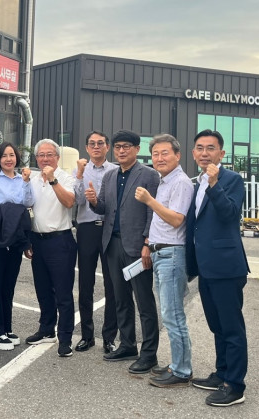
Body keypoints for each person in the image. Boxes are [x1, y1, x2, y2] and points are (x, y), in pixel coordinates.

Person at [85, 129, 160, 374]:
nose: (121, 151)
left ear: (137, 149)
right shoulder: (110, 175)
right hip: (112, 244)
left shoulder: (149, 175)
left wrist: (148, 242)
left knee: (144, 301)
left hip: (137, 246)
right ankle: (128, 345)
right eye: (118, 147)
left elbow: (152, 211)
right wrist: (94, 201)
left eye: (127, 146)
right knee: (121, 299)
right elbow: (104, 209)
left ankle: (149, 354)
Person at [186, 129, 249, 407]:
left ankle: (235, 385)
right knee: (217, 326)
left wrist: (214, 184)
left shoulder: (231, 179)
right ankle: (222, 373)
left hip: (226, 267)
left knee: (232, 328)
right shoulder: (198, 182)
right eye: (200, 148)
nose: (204, 153)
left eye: (210, 148)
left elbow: (230, 214)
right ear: (193, 153)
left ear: (221, 153)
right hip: (206, 267)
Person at [133, 134, 194, 387]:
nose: (159, 158)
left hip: (172, 254)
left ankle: (181, 370)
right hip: (160, 253)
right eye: (155, 154)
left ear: (177, 155)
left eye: (165, 153)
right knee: (169, 313)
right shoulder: (164, 181)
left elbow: (177, 219)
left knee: (173, 315)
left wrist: (149, 200)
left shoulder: (180, 182)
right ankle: (177, 363)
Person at [24, 139, 77, 357]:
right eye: (41, 155)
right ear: (36, 158)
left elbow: (69, 202)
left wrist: (53, 180)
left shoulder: (66, 178)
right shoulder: (33, 179)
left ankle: (65, 338)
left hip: (60, 240)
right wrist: (27, 241)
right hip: (38, 240)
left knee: (63, 293)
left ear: (57, 157)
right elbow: (26, 207)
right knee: (43, 289)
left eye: (49, 155)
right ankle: (46, 329)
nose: (45, 159)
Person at [0, 141, 34, 350]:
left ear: (17, 157)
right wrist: (15, 211)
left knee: (9, 284)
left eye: (12, 155)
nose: (8, 159)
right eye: (4, 155)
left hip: (16, 236)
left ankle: (5, 327)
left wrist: (26, 183)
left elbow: (28, 203)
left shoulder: (22, 179)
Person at [73, 131, 118, 354]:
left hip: (110, 230)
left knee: (112, 284)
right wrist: (80, 174)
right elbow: (78, 200)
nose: (96, 147)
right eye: (92, 143)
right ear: (87, 147)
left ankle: (109, 337)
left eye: (100, 143)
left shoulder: (116, 170)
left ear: (107, 147)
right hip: (87, 229)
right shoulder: (80, 170)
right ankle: (87, 335)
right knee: (85, 283)